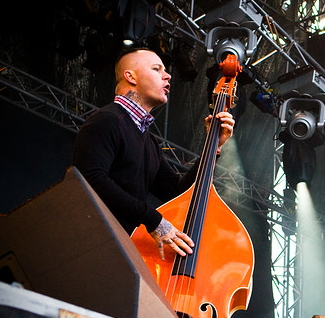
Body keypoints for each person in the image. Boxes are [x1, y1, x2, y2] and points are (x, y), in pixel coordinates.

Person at [73, 47, 235, 258]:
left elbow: (176, 192)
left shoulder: (148, 141)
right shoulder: (107, 120)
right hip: (90, 247)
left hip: (118, 251)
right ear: (130, 76)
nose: (167, 76)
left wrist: (214, 146)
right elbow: (89, 179)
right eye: (157, 69)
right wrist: (152, 218)